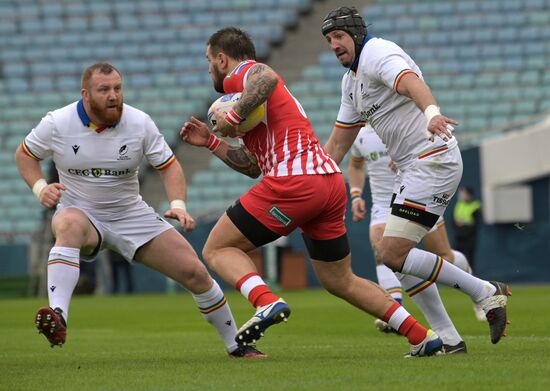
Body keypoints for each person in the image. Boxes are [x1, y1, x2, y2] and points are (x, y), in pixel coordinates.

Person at [181, 27, 444, 357]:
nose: (209, 69)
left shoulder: (243, 73)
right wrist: (212, 141)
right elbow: (251, 166)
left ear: (222, 58)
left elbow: (267, 77)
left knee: (217, 248)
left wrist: (233, 115)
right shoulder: (255, 103)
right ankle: (422, 336)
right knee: (339, 280)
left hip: (296, 181)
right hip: (328, 182)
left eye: (209, 61)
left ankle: (266, 301)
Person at [14, 62, 263, 358]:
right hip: (82, 213)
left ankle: (236, 345)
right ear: (86, 94)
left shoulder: (139, 122)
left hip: (131, 215)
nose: (113, 95)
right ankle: (58, 316)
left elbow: (169, 167)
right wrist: (41, 188)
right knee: (67, 223)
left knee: (196, 273)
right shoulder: (57, 122)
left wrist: (178, 205)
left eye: (117, 88)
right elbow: (25, 155)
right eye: (104, 90)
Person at [322, 6, 510, 345]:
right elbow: (338, 142)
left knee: (392, 254)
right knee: (392, 258)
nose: (333, 44)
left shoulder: (378, 51)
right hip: (412, 167)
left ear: (356, 34)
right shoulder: (351, 82)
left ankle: (484, 291)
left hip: (433, 160)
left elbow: (411, 83)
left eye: (338, 36)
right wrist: (310, 174)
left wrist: (431, 113)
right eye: (328, 39)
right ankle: (449, 339)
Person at [349, 125, 485, 346]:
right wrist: (356, 196)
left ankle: (473, 280)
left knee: (445, 257)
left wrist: (413, 156)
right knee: (382, 250)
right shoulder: (360, 135)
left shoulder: (407, 120)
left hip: (417, 197)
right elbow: (355, 165)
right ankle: (394, 307)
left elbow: (444, 143)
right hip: (383, 205)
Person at [453, 186, 482, 270]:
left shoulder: (476, 206)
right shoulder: (459, 204)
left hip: (470, 238)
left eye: (463, 193)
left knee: (470, 260)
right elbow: (454, 220)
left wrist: (464, 227)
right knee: (456, 258)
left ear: (469, 195)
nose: (461, 195)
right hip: (459, 237)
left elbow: (475, 224)